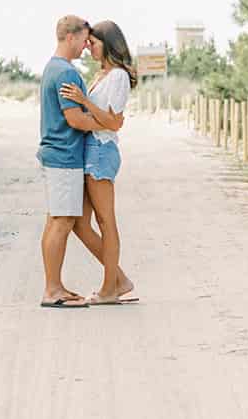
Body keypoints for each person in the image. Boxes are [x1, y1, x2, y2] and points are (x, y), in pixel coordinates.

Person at [59, 19, 138, 305]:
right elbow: (105, 119)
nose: (88, 46)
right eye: (88, 42)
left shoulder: (117, 76)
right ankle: (119, 279)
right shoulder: (102, 74)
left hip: (102, 150)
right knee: (80, 224)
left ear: (108, 43)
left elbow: (111, 122)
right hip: (90, 149)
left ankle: (109, 290)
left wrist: (85, 102)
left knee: (106, 222)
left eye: (93, 42)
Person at [38, 15, 101, 308]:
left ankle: (55, 286)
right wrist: (105, 121)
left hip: (57, 153)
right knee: (62, 222)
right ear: (71, 37)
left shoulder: (52, 68)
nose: (86, 47)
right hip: (65, 155)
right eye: (85, 39)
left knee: (55, 221)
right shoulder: (67, 73)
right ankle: (52, 291)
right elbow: (74, 118)